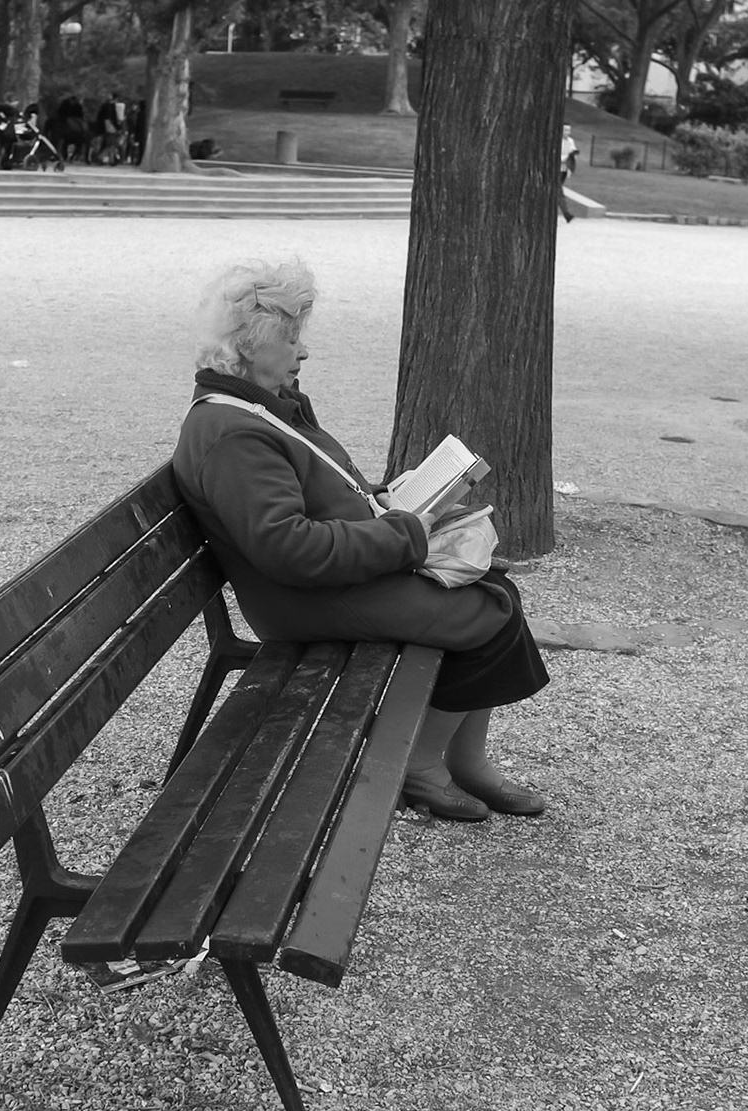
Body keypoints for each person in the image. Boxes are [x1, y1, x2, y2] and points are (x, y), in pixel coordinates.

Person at [171, 260, 551, 823]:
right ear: (249, 347)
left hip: (327, 579)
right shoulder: (233, 433)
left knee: (495, 587)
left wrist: (392, 502)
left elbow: (311, 502)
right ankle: (422, 766)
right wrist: (404, 533)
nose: (303, 353)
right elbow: (288, 548)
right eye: (292, 338)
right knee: (486, 611)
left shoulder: (253, 410)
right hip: (304, 598)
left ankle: (467, 762)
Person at [558, 124, 579, 223]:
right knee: (558, 191)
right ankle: (567, 214)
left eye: (568, 130)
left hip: (564, 169)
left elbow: (572, 151)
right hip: (557, 169)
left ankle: (565, 214)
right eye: (565, 130)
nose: (567, 132)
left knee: (557, 191)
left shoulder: (570, 141)